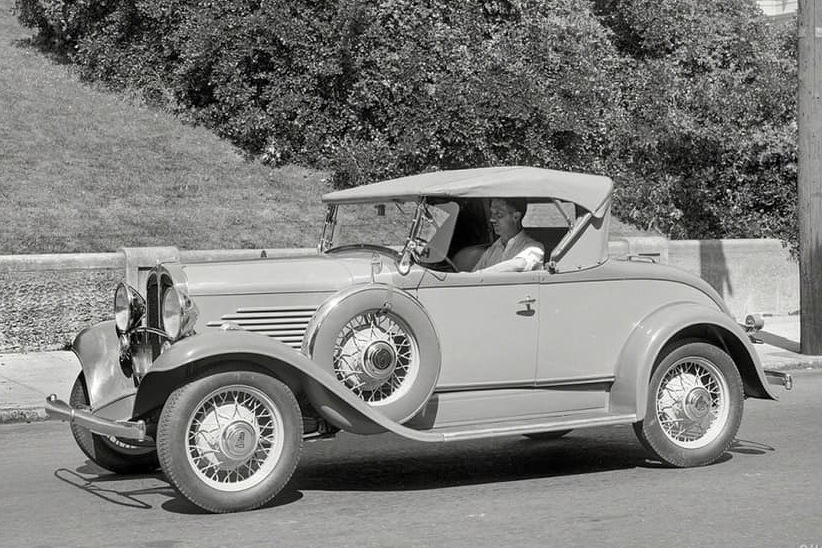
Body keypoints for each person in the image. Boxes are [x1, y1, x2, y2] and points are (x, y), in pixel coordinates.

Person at [472, 198, 544, 273]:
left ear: (516, 217)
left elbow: (519, 265)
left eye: (499, 215)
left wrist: (481, 274)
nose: (492, 219)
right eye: (492, 214)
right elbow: (472, 277)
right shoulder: (492, 250)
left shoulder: (534, 248)